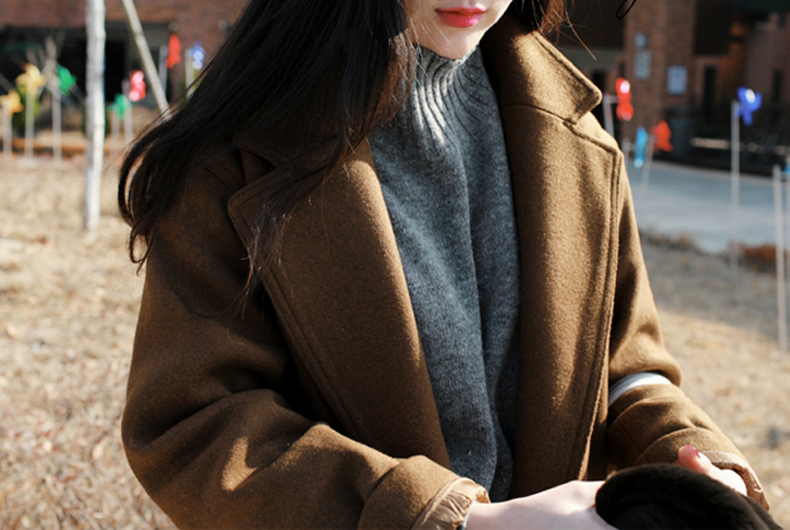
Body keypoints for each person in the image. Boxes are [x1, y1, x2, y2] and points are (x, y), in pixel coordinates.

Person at [118, 0, 768, 528]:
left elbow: (624, 365)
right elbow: (192, 426)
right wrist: (455, 521)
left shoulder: (578, 137)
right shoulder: (231, 158)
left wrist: (690, 455)